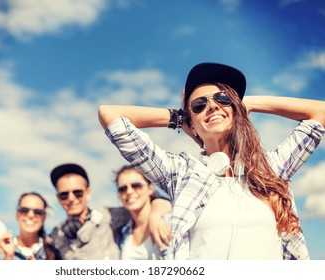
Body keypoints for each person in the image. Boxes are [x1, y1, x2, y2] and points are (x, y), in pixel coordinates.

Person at [98, 62, 325, 260]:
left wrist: (247, 104)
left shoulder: (272, 168)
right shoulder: (180, 173)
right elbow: (110, 115)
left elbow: (320, 112)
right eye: (199, 105)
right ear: (192, 123)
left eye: (223, 98)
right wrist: (179, 118)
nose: (212, 106)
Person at [48, 163, 171, 260]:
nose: (71, 198)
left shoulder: (109, 216)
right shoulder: (55, 235)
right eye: (64, 195)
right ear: (58, 198)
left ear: (88, 193)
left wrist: (156, 213)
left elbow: (144, 206)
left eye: (77, 192)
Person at [114, 165, 171, 260]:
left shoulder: (167, 221)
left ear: (150, 188)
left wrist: (156, 214)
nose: (129, 191)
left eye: (136, 185)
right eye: (122, 189)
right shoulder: (123, 232)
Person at [0, 192, 60, 260]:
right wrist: (8, 257)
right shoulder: (0, 250)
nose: (30, 215)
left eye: (37, 212)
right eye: (24, 210)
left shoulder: (56, 250)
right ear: (17, 215)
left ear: (44, 217)